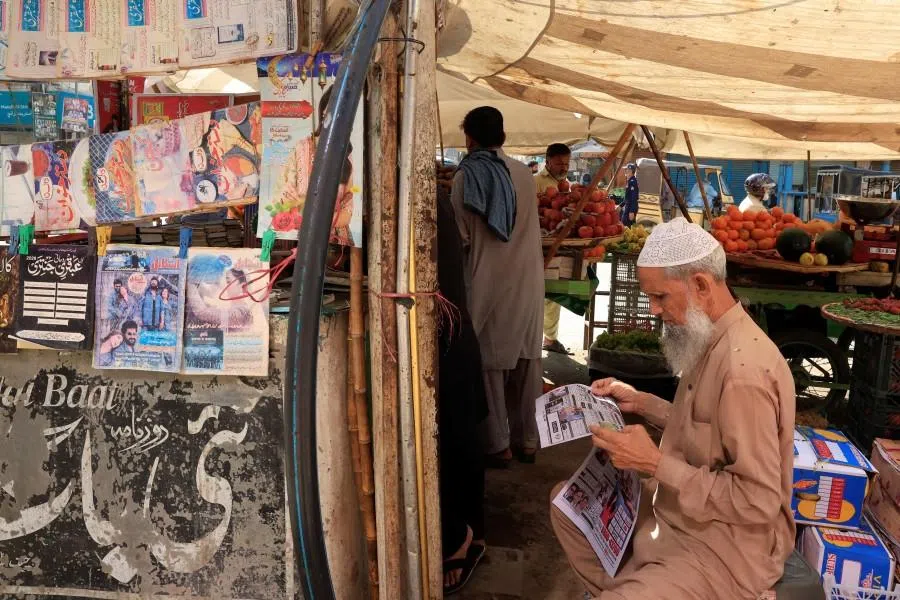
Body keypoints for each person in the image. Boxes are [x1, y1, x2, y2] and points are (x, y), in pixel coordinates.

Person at [550, 217, 796, 599]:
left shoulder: (742, 372)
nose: (653, 310)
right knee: (566, 505)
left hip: (719, 548)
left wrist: (654, 464)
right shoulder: (708, 335)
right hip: (672, 515)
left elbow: (758, 501)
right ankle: (632, 585)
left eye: (660, 297)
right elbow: (708, 429)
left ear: (700, 285)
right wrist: (642, 402)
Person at [451, 106, 543, 466]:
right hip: (528, 278)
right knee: (527, 361)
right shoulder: (523, 174)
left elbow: (461, 236)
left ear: (470, 137)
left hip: (488, 278)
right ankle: (530, 441)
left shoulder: (465, 179)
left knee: (488, 362)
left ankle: (499, 445)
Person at [436, 161, 488, 595]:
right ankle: (470, 529)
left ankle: (460, 537)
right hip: (450, 328)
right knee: (459, 437)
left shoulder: (423, 201)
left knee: (453, 440)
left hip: (444, 332)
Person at [534, 143, 572, 354]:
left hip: (561, 248)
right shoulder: (536, 183)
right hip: (539, 247)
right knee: (537, 296)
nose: (563, 167)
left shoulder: (566, 184)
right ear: (547, 161)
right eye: (559, 163)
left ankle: (550, 338)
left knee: (553, 297)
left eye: (566, 163)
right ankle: (533, 338)